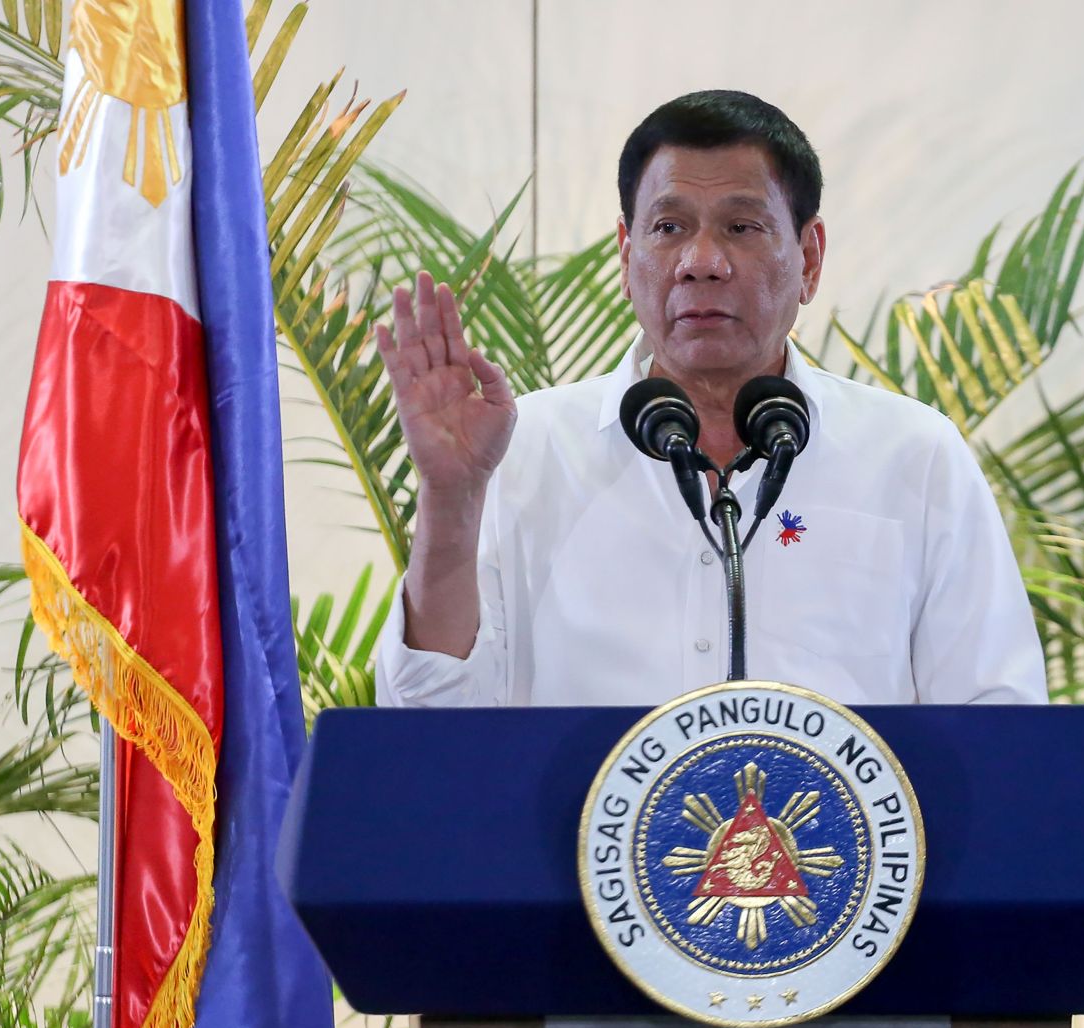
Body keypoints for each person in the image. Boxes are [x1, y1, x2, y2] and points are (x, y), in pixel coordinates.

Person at [373, 90, 1047, 710]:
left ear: (809, 258)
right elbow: (428, 723)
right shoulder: (523, 449)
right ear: (626, 254)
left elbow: (998, 723)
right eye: (669, 227)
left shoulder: (915, 457)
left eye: (742, 228)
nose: (701, 262)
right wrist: (450, 499)